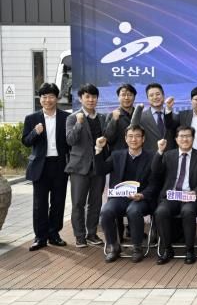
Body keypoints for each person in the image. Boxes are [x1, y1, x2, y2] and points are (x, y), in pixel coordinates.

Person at [96, 125, 157, 263]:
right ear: (125, 138)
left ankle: (137, 248)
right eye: (130, 136)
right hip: (120, 198)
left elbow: (155, 183)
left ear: (143, 139)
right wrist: (98, 149)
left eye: (137, 136)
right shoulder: (116, 155)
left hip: (141, 198)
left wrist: (142, 195)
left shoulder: (152, 157)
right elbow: (100, 170)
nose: (133, 139)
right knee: (106, 211)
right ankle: (113, 247)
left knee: (133, 210)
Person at [21, 83, 70, 251]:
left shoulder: (66, 117)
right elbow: (26, 141)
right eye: (44, 97)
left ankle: (54, 234)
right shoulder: (31, 118)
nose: (47, 100)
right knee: (39, 204)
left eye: (51, 96)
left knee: (58, 202)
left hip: (60, 165)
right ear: (40, 99)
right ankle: (40, 237)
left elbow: (71, 142)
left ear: (57, 98)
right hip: (40, 166)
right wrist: (35, 132)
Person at [153, 125, 197, 265]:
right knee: (161, 211)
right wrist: (159, 151)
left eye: (188, 136)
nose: (185, 139)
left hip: (191, 197)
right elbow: (155, 172)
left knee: (188, 211)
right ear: (176, 139)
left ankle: (189, 250)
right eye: (182, 136)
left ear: (193, 138)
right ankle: (167, 249)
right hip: (172, 196)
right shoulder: (168, 155)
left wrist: (195, 191)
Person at [65, 83, 107, 248]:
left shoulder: (102, 118)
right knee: (78, 203)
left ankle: (92, 234)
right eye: (87, 96)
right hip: (79, 167)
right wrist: (79, 124)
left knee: (96, 203)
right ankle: (80, 236)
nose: (91, 100)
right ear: (80, 98)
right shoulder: (73, 117)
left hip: (98, 166)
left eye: (94, 96)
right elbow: (70, 140)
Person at [164, 86, 197, 152]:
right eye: (196, 99)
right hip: (185, 154)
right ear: (191, 100)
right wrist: (168, 109)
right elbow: (169, 126)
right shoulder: (182, 115)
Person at [131, 83, 176, 152]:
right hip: (150, 156)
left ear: (163, 96)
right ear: (148, 99)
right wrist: (138, 109)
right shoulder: (141, 117)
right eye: (151, 95)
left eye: (158, 94)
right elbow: (133, 128)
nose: (155, 97)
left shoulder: (174, 116)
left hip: (170, 155)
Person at [104, 83, 137, 151]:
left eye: (129, 95)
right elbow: (108, 139)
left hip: (138, 154)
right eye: (123, 95)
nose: (126, 98)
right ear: (118, 97)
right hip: (118, 155)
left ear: (134, 97)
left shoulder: (140, 115)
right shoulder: (111, 115)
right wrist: (114, 120)